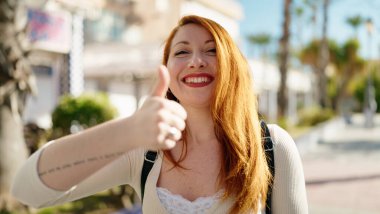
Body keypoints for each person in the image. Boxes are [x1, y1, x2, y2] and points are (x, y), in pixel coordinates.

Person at [12, 15, 308, 214]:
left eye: (211, 51)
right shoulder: (144, 151)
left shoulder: (271, 145)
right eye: (181, 52)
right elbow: (27, 189)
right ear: (167, 69)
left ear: (233, 67)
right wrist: (126, 132)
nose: (195, 61)